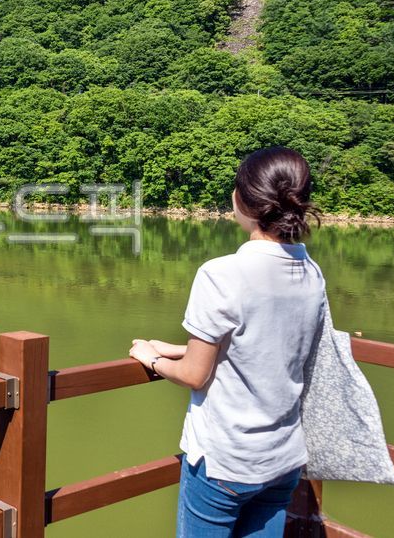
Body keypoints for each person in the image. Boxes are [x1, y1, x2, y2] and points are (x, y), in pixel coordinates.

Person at [129, 146, 326, 537]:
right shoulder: (311, 272)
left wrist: (152, 358)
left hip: (227, 461)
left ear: (240, 200)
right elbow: (271, 345)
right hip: (283, 457)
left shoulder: (222, 273)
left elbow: (194, 376)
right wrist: (185, 347)